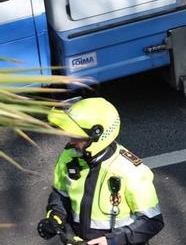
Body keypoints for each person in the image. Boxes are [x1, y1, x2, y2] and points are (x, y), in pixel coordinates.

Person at [37, 97, 164, 245]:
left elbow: (152, 221)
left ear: (98, 136)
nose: (71, 141)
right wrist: (55, 217)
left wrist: (111, 241)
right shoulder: (69, 156)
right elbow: (61, 193)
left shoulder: (129, 170)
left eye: (77, 136)